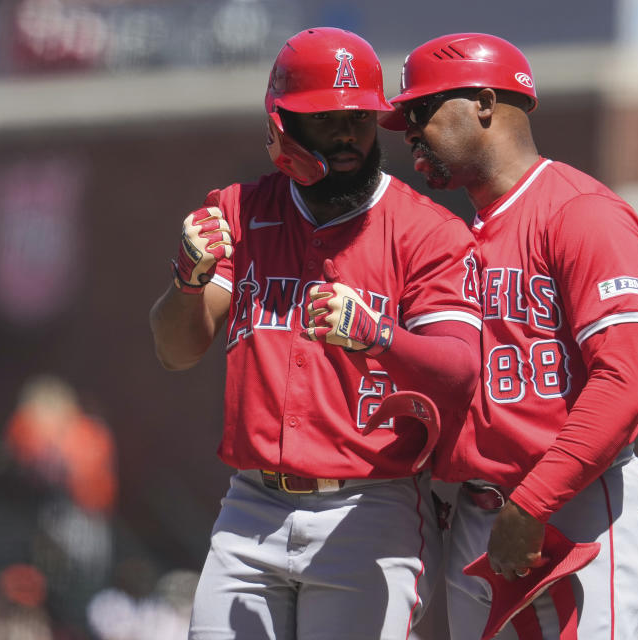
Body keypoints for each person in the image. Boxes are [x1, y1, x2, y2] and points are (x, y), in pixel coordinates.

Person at [148, 27, 484, 640]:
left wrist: (381, 335)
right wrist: (187, 282)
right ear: (282, 127)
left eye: (359, 118)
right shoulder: (240, 212)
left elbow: (461, 370)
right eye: (326, 119)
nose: (348, 135)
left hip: (371, 506)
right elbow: (175, 350)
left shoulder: (426, 231)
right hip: (252, 505)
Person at [383, 33, 638, 639]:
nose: (407, 132)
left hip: (575, 507)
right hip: (477, 516)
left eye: (420, 111)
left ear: (484, 103)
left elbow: (626, 382)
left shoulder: (582, 212)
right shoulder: (449, 238)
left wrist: (534, 502)